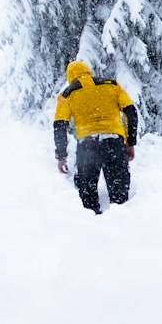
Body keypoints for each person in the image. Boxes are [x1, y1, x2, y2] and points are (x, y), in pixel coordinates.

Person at [54, 60, 138, 214]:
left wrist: (61, 156)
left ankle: (92, 230)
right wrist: (130, 142)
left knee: (87, 200)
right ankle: (123, 229)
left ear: (70, 77)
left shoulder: (66, 95)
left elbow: (60, 126)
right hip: (114, 143)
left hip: (87, 146)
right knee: (120, 199)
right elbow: (131, 111)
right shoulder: (111, 85)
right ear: (88, 71)